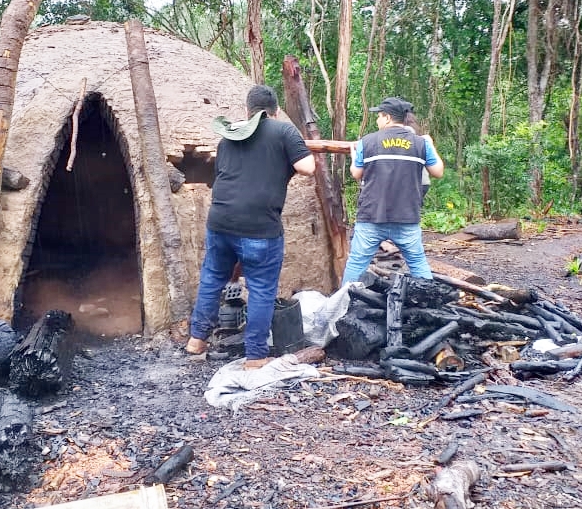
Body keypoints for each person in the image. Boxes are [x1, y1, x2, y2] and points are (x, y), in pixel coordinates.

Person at [185, 85, 316, 370]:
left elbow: (223, 173)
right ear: (275, 111)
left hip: (220, 221)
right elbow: (308, 167)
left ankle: (196, 340)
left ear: (247, 110)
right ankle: (256, 356)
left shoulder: (228, 136)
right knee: (260, 289)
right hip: (259, 228)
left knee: (211, 279)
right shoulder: (283, 131)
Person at [341, 96, 444, 285]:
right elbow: (438, 171)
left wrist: (354, 157)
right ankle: (429, 304)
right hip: (407, 217)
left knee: (357, 263)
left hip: (372, 215)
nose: (377, 120)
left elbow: (356, 173)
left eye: (379, 116)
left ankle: (343, 305)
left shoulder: (368, 141)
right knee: (417, 263)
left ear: (388, 118)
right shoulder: (420, 143)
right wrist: (430, 144)